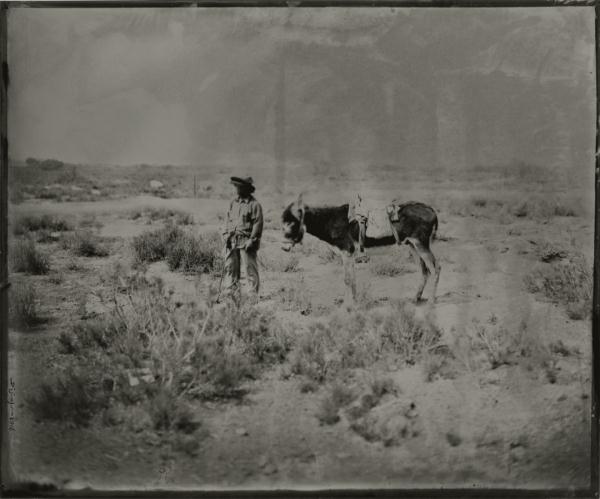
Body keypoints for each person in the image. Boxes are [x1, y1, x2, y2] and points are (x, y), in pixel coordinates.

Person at [221, 176, 264, 299]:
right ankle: (231, 292)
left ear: (246, 189)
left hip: (247, 240)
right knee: (230, 267)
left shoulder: (254, 205)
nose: (236, 189)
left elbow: (258, 223)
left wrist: (252, 239)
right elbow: (227, 219)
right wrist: (225, 234)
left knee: (250, 268)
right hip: (231, 239)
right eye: (235, 186)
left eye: (239, 187)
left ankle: (252, 295)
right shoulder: (233, 203)